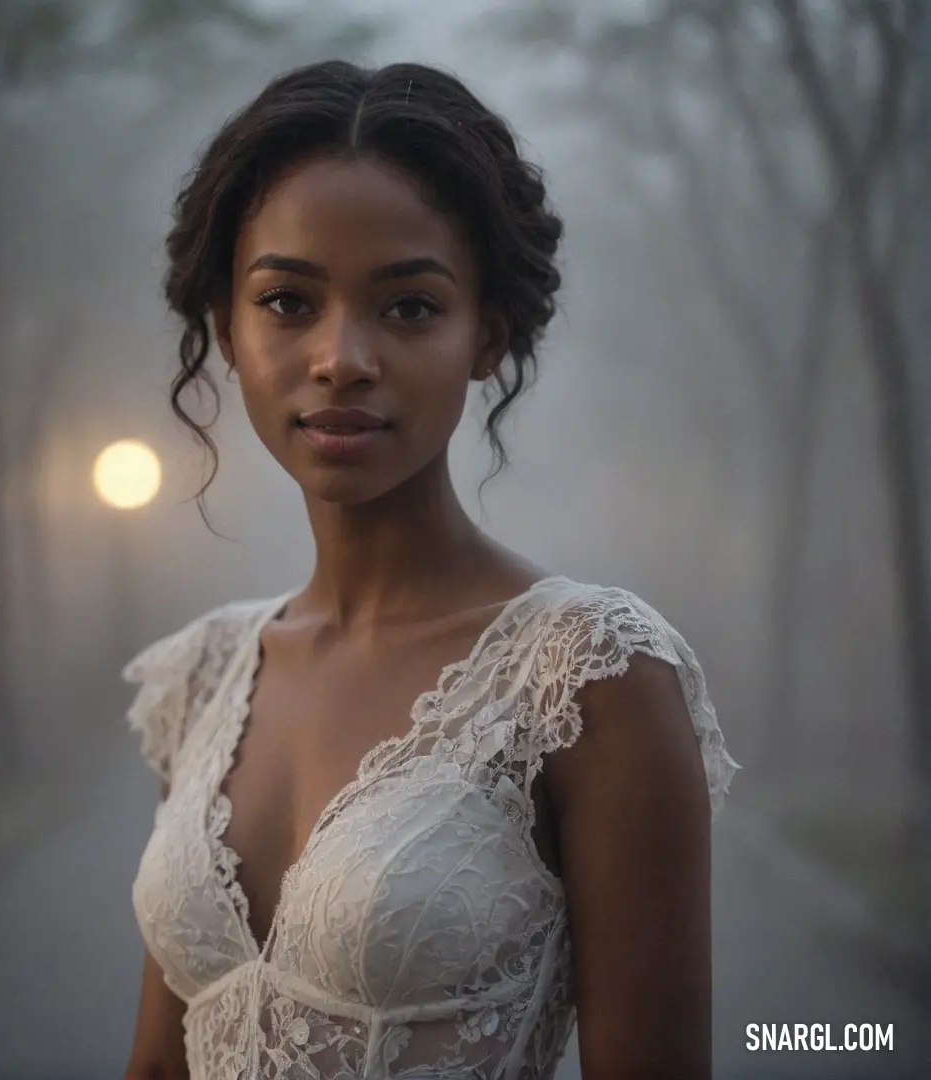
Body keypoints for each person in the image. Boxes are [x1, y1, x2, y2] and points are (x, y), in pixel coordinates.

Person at [120, 60, 739, 1080]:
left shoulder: (589, 677)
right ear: (225, 327)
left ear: (484, 335)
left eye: (408, 308)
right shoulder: (202, 678)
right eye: (287, 300)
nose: (342, 358)